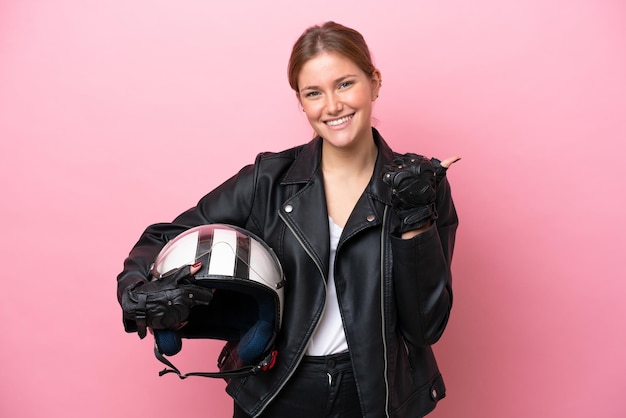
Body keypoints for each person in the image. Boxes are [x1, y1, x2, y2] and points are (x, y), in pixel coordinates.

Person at [117, 21, 459, 418]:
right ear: (301, 101)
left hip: (372, 396)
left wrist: (414, 219)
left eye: (345, 84)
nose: (332, 106)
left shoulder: (417, 187)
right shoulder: (269, 179)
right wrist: (136, 289)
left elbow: (425, 327)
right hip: (278, 388)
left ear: (374, 83)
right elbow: (163, 236)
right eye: (314, 93)